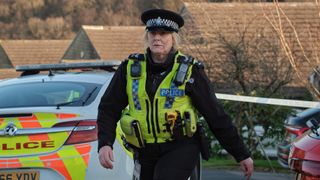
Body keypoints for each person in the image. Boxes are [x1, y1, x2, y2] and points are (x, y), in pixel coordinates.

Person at [97, 8, 254, 180]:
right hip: (145, 150)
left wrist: (241, 154)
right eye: (153, 33)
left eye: (163, 33)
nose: (157, 38)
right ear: (147, 36)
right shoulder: (129, 69)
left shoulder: (190, 71)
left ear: (173, 38)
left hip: (181, 147)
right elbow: (108, 109)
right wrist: (105, 143)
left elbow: (215, 114)